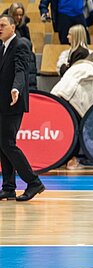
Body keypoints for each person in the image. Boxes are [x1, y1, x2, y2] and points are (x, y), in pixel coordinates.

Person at [0, 16, 46, 202]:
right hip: (2, 103)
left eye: (2, 25)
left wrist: (16, 88)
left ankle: (33, 182)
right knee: (2, 145)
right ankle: (9, 188)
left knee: (7, 144)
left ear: (13, 27)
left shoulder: (21, 45)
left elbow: (21, 70)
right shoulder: (2, 47)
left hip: (13, 102)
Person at [50, 51, 93, 117]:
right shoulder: (92, 70)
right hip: (71, 101)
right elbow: (89, 96)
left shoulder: (75, 67)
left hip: (58, 95)